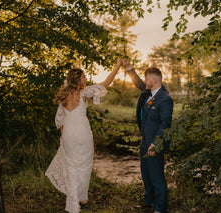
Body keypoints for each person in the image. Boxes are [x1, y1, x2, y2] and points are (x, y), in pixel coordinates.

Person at [45, 59, 124, 213]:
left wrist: (62, 136)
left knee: (71, 166)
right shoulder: (84, 92)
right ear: (77, 80)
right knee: (84, 165)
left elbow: (60, 119)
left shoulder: (64, 96)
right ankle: (76, 199)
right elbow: (106, 83)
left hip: (68, 134)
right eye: (83, 77)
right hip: (82, 133)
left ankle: (77, 198)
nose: (86, 79)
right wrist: (117, 66)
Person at [123, 60, 173, 213]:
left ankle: (160, 208)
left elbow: (165, 124)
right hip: (145, 140)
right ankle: (149, 201)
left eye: (146, 79)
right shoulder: (148, 93)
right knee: (146, 174)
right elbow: (138, 83)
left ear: (154, 80)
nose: (144, 82)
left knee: (157, 176)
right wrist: (129, 68)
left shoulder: (165, 99)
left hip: (154, 143)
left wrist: (155, 143)